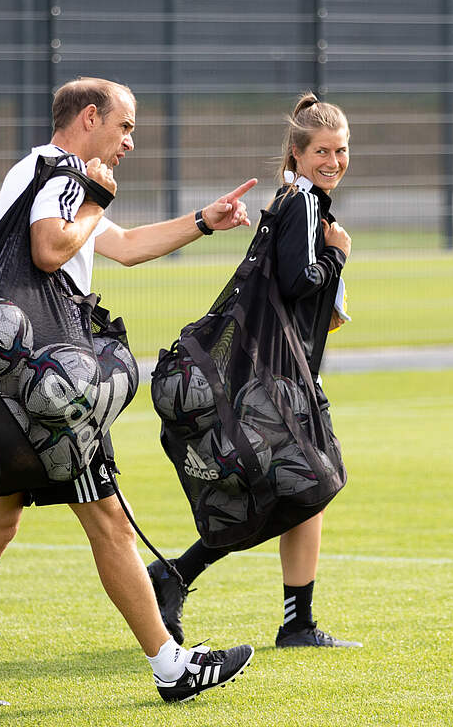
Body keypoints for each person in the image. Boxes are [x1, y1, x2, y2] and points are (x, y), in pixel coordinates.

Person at [0, 77, 259, 709]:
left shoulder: (50, 175)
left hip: (27, 386)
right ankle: (170, 665)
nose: (130, 141)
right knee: (109, 523)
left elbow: (122, 246)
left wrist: (205, 220)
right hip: (49, 393)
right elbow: (49, 250)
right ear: (90, 117)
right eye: (124, 126)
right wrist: (95, 197)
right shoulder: (63, 174)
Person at [148, 92, 360, 649]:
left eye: (340, 151)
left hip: (284, 373)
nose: (333, 161)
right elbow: (298, 280)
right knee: (309, 484)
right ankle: (195, 583)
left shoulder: (294, 200)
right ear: (295, 152)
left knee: (298, 491)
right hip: (279, 378)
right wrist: (336, 254)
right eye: (321, 151)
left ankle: (279, 616)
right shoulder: (307, 204)